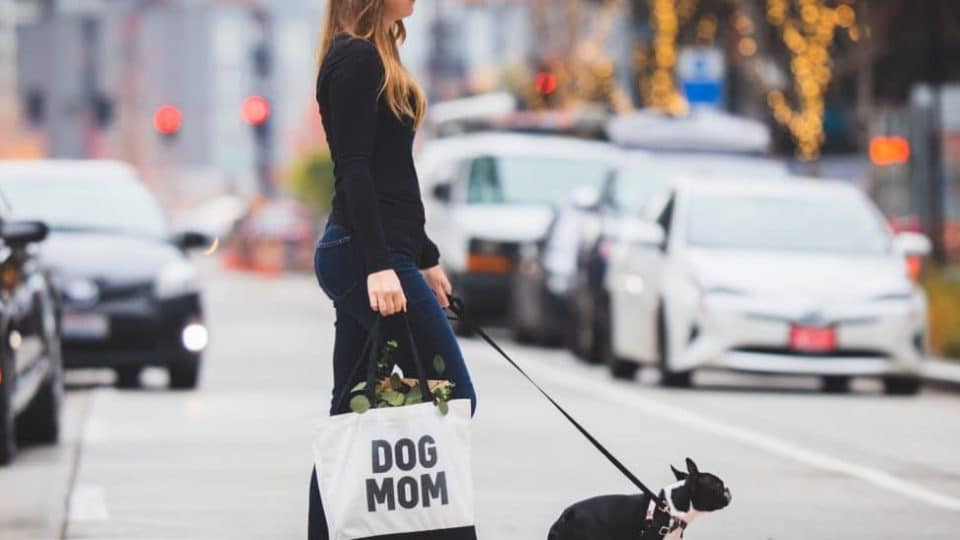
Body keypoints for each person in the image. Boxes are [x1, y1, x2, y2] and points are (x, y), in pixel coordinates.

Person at [309, 0, 477, 538]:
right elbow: (354, 170)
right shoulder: (356, 60)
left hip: (376, 251)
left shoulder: (375, 55)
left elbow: (393, 174)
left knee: (352, 415)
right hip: (363, 254)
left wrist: (424, 257)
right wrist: (381, 267)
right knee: (451, 394)